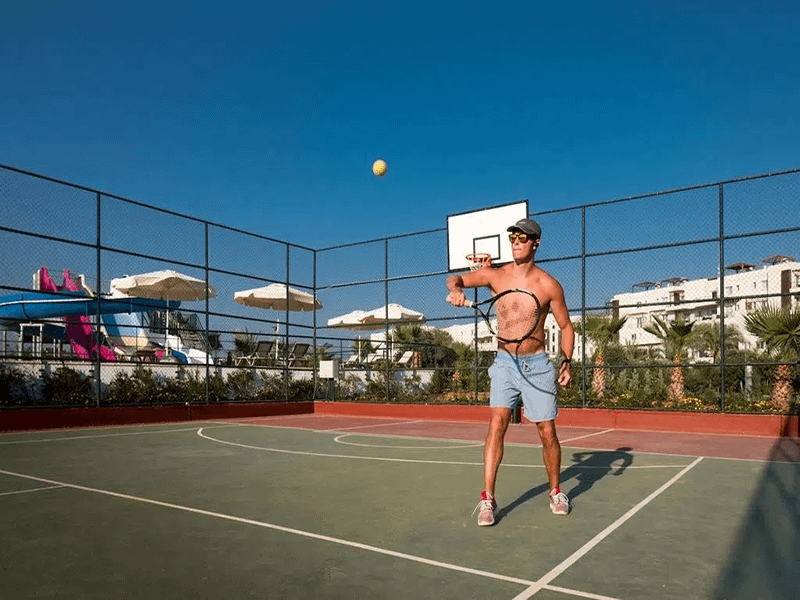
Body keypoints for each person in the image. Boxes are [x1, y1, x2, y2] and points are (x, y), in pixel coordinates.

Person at [446, 218, 575, 525]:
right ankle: (487, 499)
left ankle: (556, 491)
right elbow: (455, 279)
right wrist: (456, 291)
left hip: (538, 365)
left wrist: (567, 361)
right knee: (497, 423)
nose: (516, 241)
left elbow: (566, 326)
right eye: (513, 237)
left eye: (522, 237)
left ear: (535, 243)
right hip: (504, 362)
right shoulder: (495, 275)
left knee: (547, 432)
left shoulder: (549, 285)